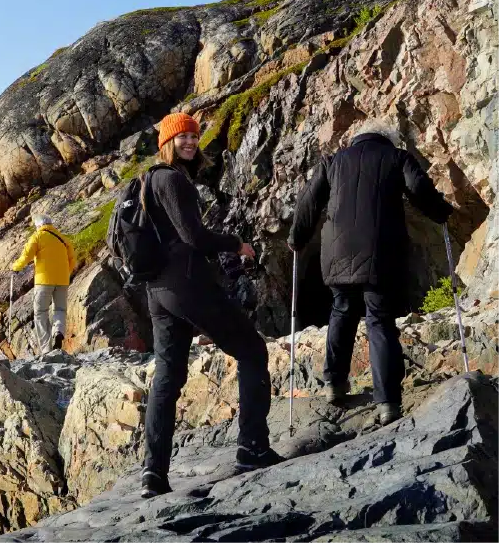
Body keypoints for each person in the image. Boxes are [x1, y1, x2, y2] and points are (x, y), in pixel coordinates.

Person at [140, 112, 281, 499]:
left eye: (193, 136)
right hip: (187, 286)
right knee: (252, 351)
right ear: (167, 143)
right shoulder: (171, 179)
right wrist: (236, 243)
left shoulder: (147, 182)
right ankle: (252, 447)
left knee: (167, 378)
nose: (189, 142)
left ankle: (153, 474)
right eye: (181, 137)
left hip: (157, 292)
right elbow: (194, 237)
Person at [288, 121, 453, 427]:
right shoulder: (397, 157)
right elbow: (418, 188)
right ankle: (388, 401)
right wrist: (441, 212)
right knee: (379, 319)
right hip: (380, 252)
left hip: (337, 253)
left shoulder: (333, 162)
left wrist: (297, 238)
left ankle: (334, 385)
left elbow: (309, 202)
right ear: (387, 139)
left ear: (355, 139)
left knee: (341, 310)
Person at [12, 213, 76, 354]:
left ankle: (46, 349)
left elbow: (26, 256)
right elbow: (72, 260)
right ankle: (58, 331)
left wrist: (15, 267)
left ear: (39, 226)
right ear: (50, 224)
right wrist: (64, 274)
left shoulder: (38, 236)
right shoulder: (64, 240)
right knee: (60, 310)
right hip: (62, 281)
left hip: (43, 281)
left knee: (41, 312)